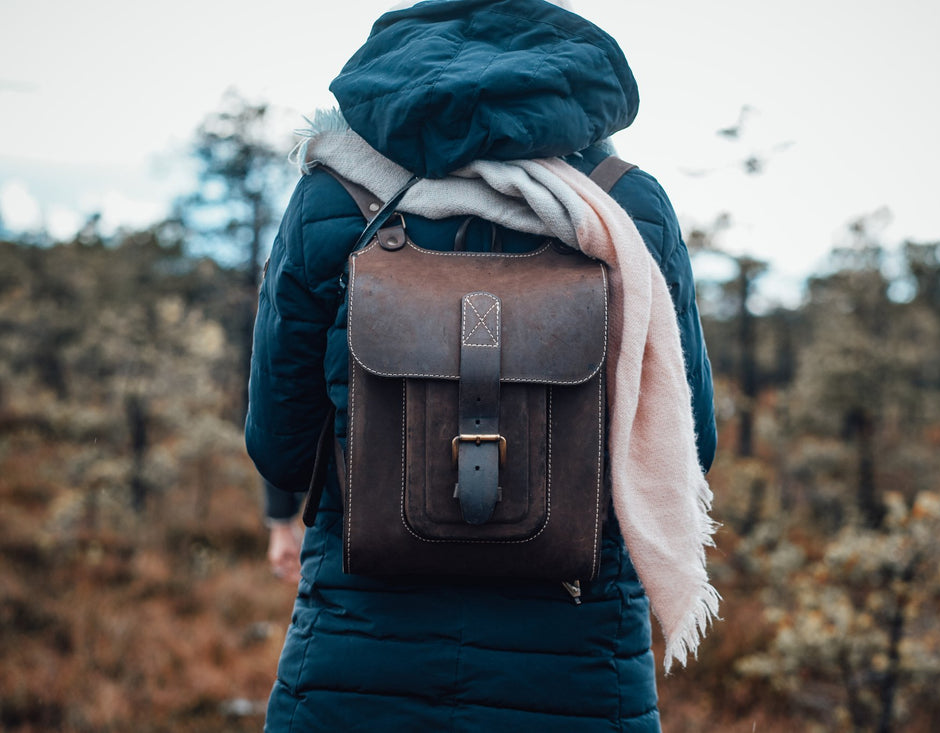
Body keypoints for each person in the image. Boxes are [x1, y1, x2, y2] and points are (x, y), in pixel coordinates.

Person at [247, 0, 718, 729]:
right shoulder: (626, 207)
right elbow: (695, 442)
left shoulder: (334, 195)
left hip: (361, 649)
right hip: (577, 658)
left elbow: (277, 440)